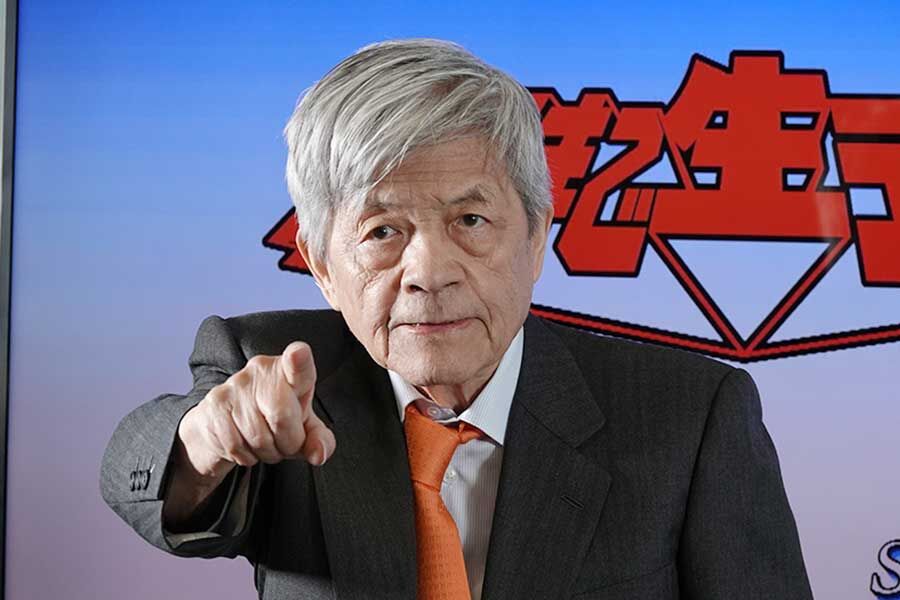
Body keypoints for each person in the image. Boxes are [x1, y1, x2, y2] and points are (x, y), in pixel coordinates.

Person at [100, 38, 813, 600]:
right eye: (382, 231)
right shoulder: (276, 375)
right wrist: (206, 441)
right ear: (320, 265)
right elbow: (141, 475)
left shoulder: (688, 415)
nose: (429, 271)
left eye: (470, 220)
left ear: (536, 238)